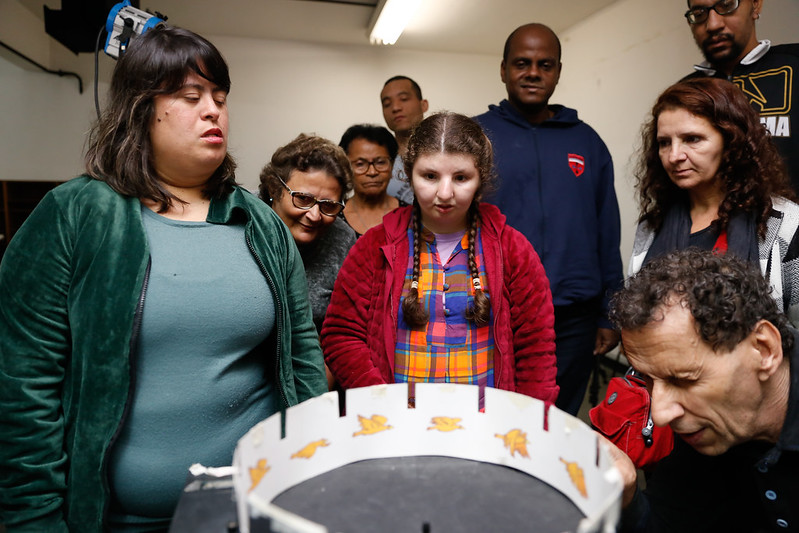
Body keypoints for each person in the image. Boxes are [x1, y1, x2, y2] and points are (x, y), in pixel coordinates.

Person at [0, 27, 327, 532]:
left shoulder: (259, 223)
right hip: (120, 520)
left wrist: (312, 474)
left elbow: (301, 355)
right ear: (139, 109)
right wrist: (33, 520)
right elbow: (24, 385)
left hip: (255, 505)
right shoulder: (75, 216)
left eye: (219, 98)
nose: (214, 110)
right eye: (190, 96)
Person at [321, 112, 559, 406]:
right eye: (430, 176)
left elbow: (536, 351)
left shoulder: (512, 250)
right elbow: (341, 336)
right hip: (397, 426)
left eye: (461, 177)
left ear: (480, 177)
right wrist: (382, 402)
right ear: (409, 174)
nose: (444, 193)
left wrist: (526, 424)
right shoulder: (375, 246)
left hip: (487, 427)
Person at [474, 23, 623, 416]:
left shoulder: (586, 141)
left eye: (545, 64)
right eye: (522, 63)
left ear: (558, 71)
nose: (533, 73)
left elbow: (607, 230)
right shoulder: (475, 137)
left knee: (558, 420)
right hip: (494, 310)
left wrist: (611, 310)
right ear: (503, 68)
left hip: (573, 318)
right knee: (496, 416)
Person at [606, 248, 799, 532]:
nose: (659, 415)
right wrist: (627, 497)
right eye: (647, 379)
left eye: (683, 380)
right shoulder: (706, 427)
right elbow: (668, 521)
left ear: (764, 350)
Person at [629, 76, 799, 326]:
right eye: (664, 143)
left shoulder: (785, 225)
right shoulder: (651, 226)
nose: (674, 156)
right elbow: (635, 313)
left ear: (731, 142)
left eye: (692, 139)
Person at [682, 0, 799, 190]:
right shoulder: (685, 92)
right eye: (699, 12)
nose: (713, 24)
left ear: (756, 5)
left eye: (727, 5)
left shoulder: (795, 63)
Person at [259, 134, 357, 334]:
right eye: (303, 199)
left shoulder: (342, 237)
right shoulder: (242, 219)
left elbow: (345, 326)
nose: (314, 215)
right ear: (274, 188)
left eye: (328, 205)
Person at [339, 124, 406, 237]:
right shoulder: (333, 218)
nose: (372, 172)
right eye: (360, 164)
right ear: (346, 168)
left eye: (380, 162)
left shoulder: (410, 216)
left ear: (392, 165)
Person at [380, 75, 429, 204]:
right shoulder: (379, 163)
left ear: (424, 105)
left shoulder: (446, 150)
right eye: (387, 104)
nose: (396, 108)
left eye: (404, 99)